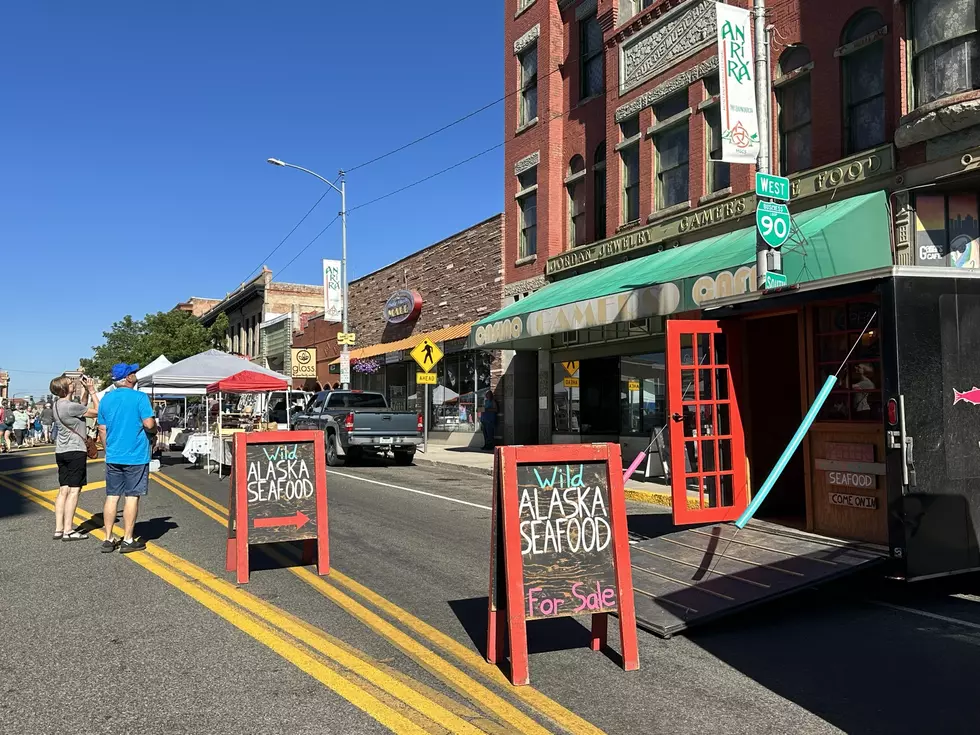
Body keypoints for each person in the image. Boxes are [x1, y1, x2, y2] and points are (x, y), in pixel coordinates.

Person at [97, 363, 156, 554]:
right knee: (132, 496)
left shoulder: (106, 399)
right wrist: (154, 430)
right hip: (136, 454)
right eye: (133, 373)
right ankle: (128, 539)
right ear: (128, 378)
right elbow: (148, 423)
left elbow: (102, 429)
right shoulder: (140, 397)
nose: (136, 374)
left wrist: (108, 450)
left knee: (112, 496)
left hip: (114, 454)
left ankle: (107, 538)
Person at [51, 375, 100, 541]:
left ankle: (59, 529)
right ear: (65, 389)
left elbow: (81, 407)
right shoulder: (71, 407)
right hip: (75, 451)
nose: (73, 384)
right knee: (74, 490)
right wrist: (92, 391)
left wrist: (84, 391)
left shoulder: (57, 405)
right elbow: (98, 412)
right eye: (70, 383)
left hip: (61, 451)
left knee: (63, 489)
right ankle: (69, 530)